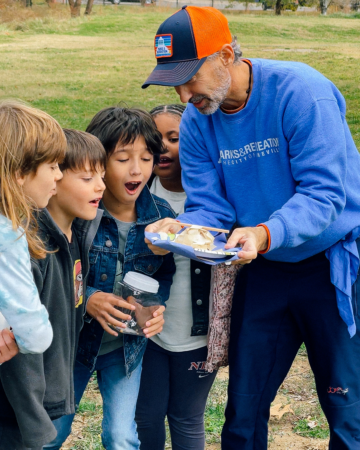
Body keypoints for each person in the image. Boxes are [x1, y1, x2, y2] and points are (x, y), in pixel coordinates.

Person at [142, 6, 360, 449]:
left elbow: (324, 196)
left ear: (226, 55)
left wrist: (264, 231)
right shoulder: (201, 120)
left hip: (330, 265)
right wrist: (177, 231)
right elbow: (210, 208)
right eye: (173, 84)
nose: (184, 96)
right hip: (263, 269)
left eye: (190, 78)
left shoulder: (301, 92)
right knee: (243, 409)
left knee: (346, 408)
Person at [45, 106, 176, 450]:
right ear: (97, 164)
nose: (137, 169)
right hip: (73, 346)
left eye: (146, 158)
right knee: (52, 433)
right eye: (122, 159)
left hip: (125, 348)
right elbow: (55, 273)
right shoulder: (80, 213)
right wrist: (88, 297)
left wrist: (154, 306)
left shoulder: (161, 219)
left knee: (121, 437)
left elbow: (164, 274)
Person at [0, 129, 106, 450]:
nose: (101, 185)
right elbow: (23, 345)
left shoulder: (79, 233)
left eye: (101, 175)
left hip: (48, 395)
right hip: (22, 411)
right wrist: (34, 419)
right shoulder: (29, 246)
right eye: (87, 177)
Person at [135, 104, 217, 450]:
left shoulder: (215, 199)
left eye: (174, 138)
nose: (164, 147)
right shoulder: (137, 193)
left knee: (186, 416)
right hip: (149, 331)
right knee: (146, 416)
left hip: (196, 334)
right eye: (156, 139)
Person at [0, 99, 66, 447]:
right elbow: (35, 335)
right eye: (52, 165)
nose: (59, 174)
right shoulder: (10, 235)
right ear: (19, 174)